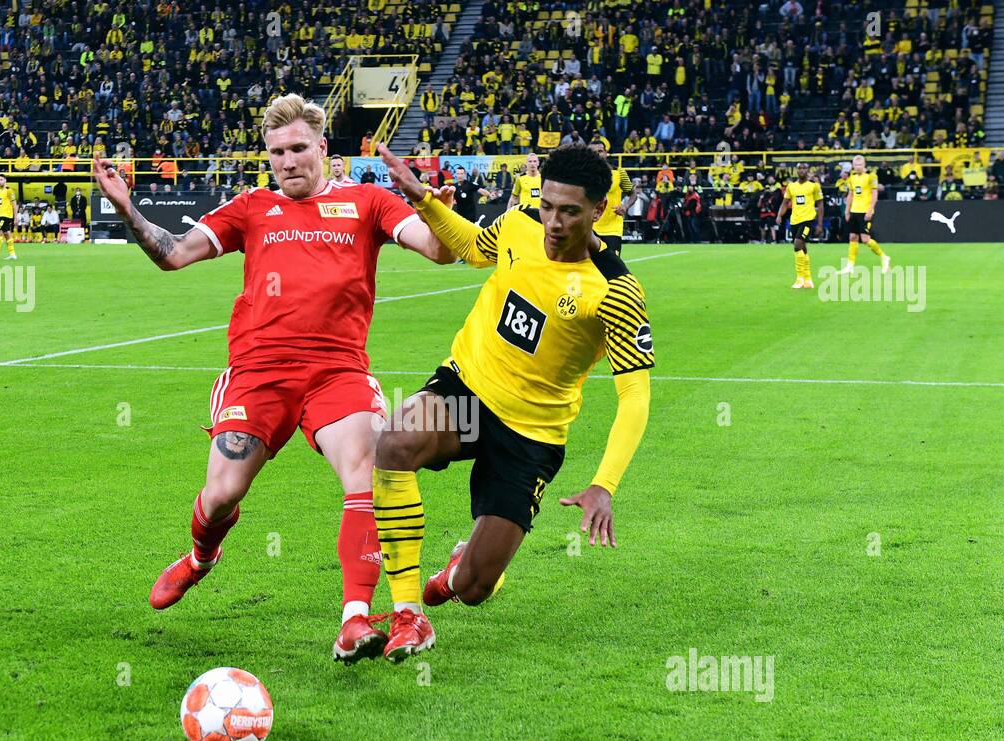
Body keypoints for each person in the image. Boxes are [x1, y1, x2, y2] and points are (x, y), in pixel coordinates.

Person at [90, 94, 455, 664]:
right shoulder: (252, 207)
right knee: (223, 494)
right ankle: (198, 559)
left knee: (367, 469)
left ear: (322, 149)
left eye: (298, 149)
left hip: (337, 371)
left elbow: (439, 250)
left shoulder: (368, 202)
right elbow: (174, 255)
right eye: (277, 152)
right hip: (259, 374)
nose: (287, 161)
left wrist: (432, 206)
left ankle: (354, 620)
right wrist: (127, 209)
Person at [369, 144, 653, 661]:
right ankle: (408, 613)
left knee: (475, 587)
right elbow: (476, 247)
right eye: (547, 205)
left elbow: (634, 395)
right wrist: (425, 203)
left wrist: (603, 484)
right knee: (393, 443)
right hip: (470, 389)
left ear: (599, 209)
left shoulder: (615, 288)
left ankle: (458, 570)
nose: (553, 222)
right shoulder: (519, 223)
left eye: (569, 211)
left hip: (532, 435)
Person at [841, 154, 890, 273]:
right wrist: (847, 211)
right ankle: (850, 266)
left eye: (860, 164)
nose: (858, 167)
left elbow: (874, 194)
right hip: (854, 211)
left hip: (865, 212)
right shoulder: (852, 178)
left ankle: (884, 257)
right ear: (853, 165)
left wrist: (870, 209)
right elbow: (850, 195)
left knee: (865, 239)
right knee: (852, 237)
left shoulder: (870, 176)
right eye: (856, 165)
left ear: (864, 165)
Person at [777, 163, 823, 289]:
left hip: (808, 220)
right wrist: (779, 215)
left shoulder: (814, 186)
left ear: (808, 171)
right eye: (800, 168)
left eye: (804, 168)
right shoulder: (791, 186)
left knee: (797, 245)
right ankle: (808, 279)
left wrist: (819, 224)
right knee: (803, 248)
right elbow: (785, 202)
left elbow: (820, 205)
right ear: (796, 171)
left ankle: (799, 278)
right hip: (794, 220)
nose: (802, 170)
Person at [588, 140, 631, 254]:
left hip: (612, 228)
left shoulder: (619, 172)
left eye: (600, 151)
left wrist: (625, 206)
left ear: (606, 153)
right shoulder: (584, 174)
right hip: (589, 227)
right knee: (590, 266)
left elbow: (632, 193)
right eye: (593, 152)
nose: (597, 154)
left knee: (613, 266)